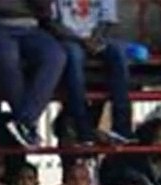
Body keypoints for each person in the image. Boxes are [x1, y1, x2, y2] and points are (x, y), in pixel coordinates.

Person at [0, 0, 67, 148]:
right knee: (9, 63)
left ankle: (26, 120)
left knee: (55, 56)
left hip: (32, 26)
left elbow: (46, 11)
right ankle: (25, 124)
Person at [51, 0, 134, 145]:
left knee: (119, 54)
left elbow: (107, 20)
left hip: (97, 37)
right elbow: (52, 23)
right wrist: (81, 40)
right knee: (74, 59)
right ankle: (83, 128)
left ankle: (122, 127)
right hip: (68, 39)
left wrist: (95, 39)